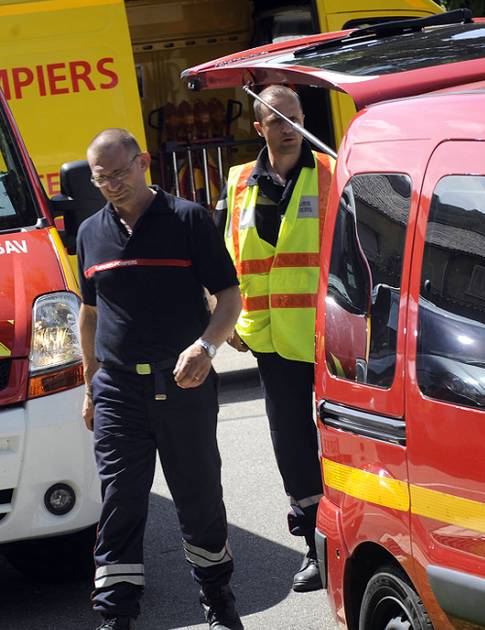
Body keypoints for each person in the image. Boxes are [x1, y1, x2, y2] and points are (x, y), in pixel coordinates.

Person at [78, 128, 244, 630]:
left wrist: (207, 346)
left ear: (143, 162)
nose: (110, 185)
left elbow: (229, 298)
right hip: (118, 391)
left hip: (183, 387)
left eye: (119, 173)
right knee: (120, 501)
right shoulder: (89, 233)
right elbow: (89, 314)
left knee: (197, 499)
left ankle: (218, 602)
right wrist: (90, 386)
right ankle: (116, 617)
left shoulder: (189, 220)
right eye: (100, 178)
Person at [213, 85, 336, 593]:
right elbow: (224, 255)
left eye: (294, 117)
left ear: (305, 118)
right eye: (275, 120)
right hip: (267, 338)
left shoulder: (332, 171)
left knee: (343, 439)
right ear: (257, 127)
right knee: (291, 444)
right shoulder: (240, 180)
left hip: (330, 338)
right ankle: (314, 543)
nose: (287, 129)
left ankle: (350, 536)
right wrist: (228, 320)